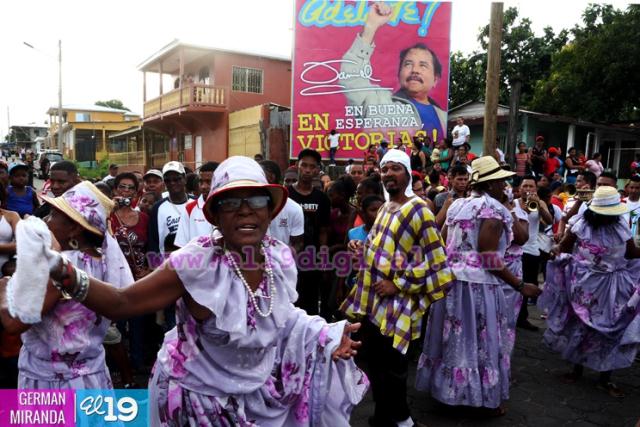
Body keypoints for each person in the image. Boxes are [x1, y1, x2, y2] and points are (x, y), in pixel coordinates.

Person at [22, 156, 368, 424]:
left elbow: (279, 313)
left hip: (254, 395)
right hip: (196, 402)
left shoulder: (278, 255)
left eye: (256, 201)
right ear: (214, 215)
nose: (246, 210)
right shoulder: (195, 262)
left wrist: (325, 333)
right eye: (231, 202)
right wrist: (63, 272)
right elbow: (122, 302)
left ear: (271, 210)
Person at [416, 156, 540, 416]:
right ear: (492, 183)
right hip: (477, 289)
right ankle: (478, 400)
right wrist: (519, 284)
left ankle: (448, 393)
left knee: (454, 340)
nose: (506, 184)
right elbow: (487, 256)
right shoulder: (493, 210)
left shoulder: (457, 205)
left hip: (451, 284)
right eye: (502, 180)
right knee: (479, 343)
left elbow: (444, 241)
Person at [341, 149, 452, 427]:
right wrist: (359, 246)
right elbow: (379, 247)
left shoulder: (419, 210)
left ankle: (403, 421)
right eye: (385, 168)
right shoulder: (385, 209)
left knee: (394, 368)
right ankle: (383, 417)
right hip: (373, 302)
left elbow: (438, 263)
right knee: (377, 365)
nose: (389, 173)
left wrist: (398, 283)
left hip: (398, 303)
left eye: (395, 168)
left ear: (408, 173)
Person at [0, 181, 134, 390]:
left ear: (74, 228)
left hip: (54, 382)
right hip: (92, 375)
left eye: (53, 215)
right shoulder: (103, 261)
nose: (45, 220)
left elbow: (15, 324)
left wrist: (4, 289)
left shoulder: (59, 270)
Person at [541, 186, 640, 397]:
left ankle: (605, 378)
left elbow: (631, 252)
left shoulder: (621, 224)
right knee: (581, 326)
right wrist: (555, 251)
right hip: (584, 285)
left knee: (610, 329)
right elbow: (565, 247)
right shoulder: (581, 225)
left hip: (613, 286)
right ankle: (576, 369)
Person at [340, 2, 446, 141]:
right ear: (399, 73)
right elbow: (351, 79)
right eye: (408, 64)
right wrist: (371, 27)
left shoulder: (444, 116)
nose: (415, 70)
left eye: (423, 65)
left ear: (435, 79)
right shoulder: (378, 102)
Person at [288, 149, 332, 318]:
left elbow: (323, 231)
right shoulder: (286, 195)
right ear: (297, 167)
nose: (307, 170)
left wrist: (324, 259)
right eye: (304, 165)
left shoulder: (322, 199)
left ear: (317, 170)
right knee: (290, 304)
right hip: (288, 260)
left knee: (310, 306)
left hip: (311, 261)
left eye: (311, 167)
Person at [516, 175, 553, 331]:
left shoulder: (541, 202)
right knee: (515, 284)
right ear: (520, 189)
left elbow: (549, 221)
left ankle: (523, 317)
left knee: (528, 285)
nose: (528, 189)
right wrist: (523, 208)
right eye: (525, 186)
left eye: (531, 186)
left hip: (532, 249)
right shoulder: (514, 203)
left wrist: (540, 206)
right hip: (516, 249)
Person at [260, 160, 304, 253]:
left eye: (258, 174)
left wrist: (284, 259)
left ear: (271, 177)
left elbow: (298, 244)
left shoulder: (294, 209)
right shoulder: (248, 207)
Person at [175, 162, 219, 248]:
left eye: (208, 182)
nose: (203, 186)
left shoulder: (232, 208)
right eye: (201, 182)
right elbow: (182, 246)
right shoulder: (189, 209)